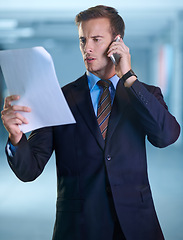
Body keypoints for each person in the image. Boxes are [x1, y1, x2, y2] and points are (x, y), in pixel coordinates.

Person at [1, 5, 180, 240]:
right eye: (83, 40)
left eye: (96, 39)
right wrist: (16, 138)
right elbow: (30, 169)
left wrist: (128, 77)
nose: (88, 48)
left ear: (117, 42)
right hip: (79, 226)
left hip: (137, 225)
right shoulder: (60, 98)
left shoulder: (143, 93)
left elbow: (166, 136)